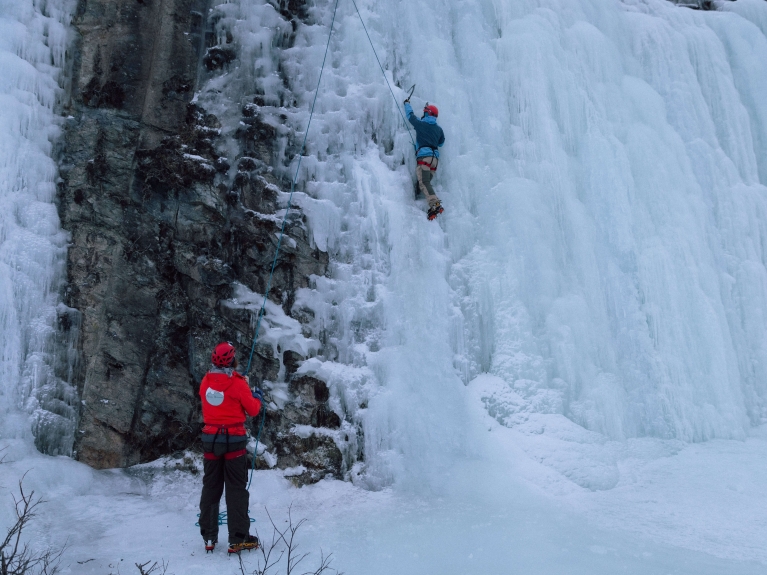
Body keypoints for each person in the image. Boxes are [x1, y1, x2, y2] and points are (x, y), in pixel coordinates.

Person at [199, 341, 263, 554]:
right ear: (232, 360)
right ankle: (238, 538)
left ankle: (209, 536)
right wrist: (256, 396)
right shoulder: (237, 384)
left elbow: (216, 397)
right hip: (234, 441)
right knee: (235, 489)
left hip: (210, 440)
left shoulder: (205, 382)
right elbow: (253, 410)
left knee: (211, 487)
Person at [404, 98, 445, 220]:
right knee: (424, 182)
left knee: (424, 182)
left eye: (425, 112)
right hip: (434, 161)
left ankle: (435, 204)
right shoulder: (439, 129)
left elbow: (410, 116)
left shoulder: (421, 125)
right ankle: (421, 196)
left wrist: (407, 103)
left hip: (424, 158)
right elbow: (441, 143)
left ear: (427, 113)